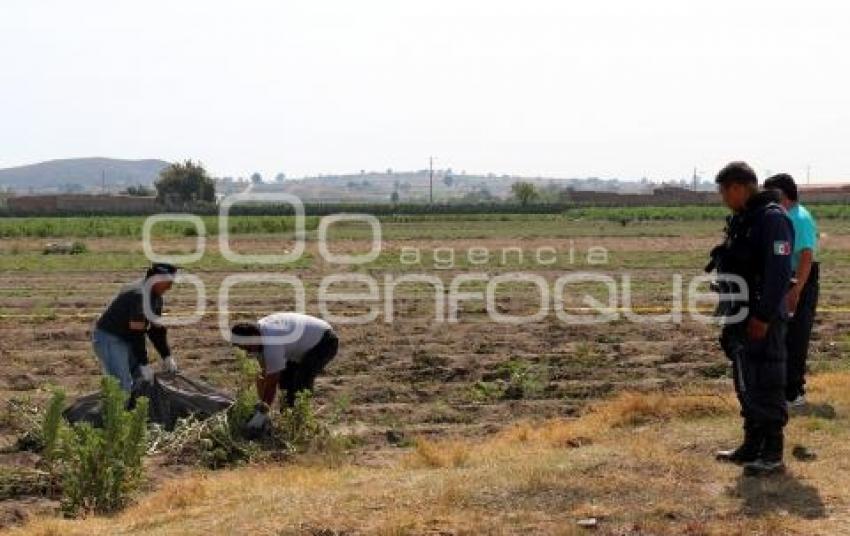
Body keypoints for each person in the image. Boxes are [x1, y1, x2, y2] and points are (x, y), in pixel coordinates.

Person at [710, 162, 794, 476]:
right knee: (746, 380)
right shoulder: (746, 220)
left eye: (723, 191)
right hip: (740, 311)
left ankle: (772, 452)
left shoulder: (773, 219)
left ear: (738, 187)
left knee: (767, 378)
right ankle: (752, 444)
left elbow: (779, 272)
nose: (722, 198)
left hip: (762, 315)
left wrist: (763, 315)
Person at [763, 173, 819, 408]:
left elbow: (806, 257)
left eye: (770, 195)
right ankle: (780, 389)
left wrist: (796, 291)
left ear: (782, 194)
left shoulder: (800, 218)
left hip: (799, 281)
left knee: (796, 337)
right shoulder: (786, 216)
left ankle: (794, 393)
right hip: (788, 279)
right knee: (781, 337)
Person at [92, 263, 179, 392]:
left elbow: (156, 330)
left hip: (127, 338)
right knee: (122, 385)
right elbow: (136, 334)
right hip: (110, 338)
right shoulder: (139, 295)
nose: (170, 287)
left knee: (140, 382)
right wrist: (144, 364)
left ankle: (132, 410)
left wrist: (167, 356)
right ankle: (113, 411)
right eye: (168, 282)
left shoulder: (156, 298)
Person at [230, 312, 339, 408]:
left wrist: (262, 412)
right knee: (286, 382)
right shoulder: (259, 337)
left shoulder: (272, 341)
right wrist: (261, 402)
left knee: (301, 381)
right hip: (299, 344)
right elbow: (263, 375)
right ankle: (287, 416)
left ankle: (299, 419)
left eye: (248, 347)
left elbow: (272, 382)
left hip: (324, 341)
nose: (248, 352)